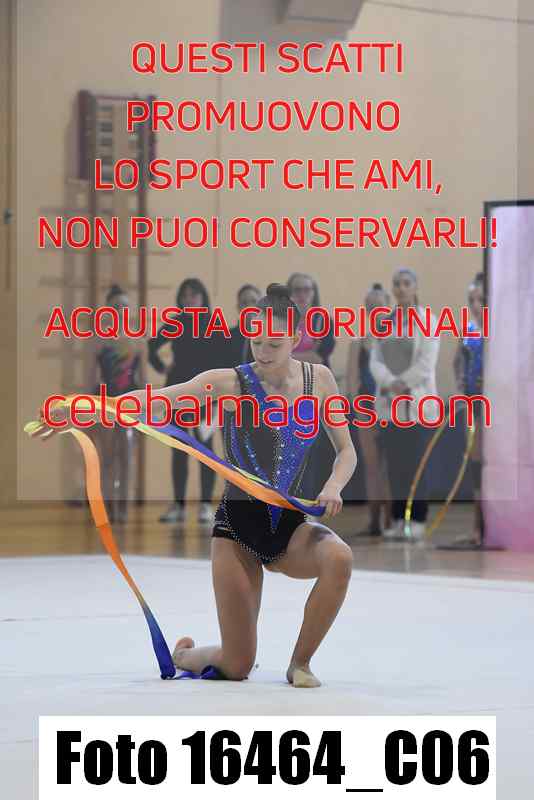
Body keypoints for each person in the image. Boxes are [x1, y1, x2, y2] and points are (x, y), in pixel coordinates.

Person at [47, 284, 356, 687]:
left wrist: (334, 485)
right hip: (238, 531)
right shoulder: (231, 382)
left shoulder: (320, 381)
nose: (263, 352)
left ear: (296, 338)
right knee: (236, 665)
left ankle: (300, 663)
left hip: (290, 528)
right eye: (257, 342)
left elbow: (346, 450)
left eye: (275, 344)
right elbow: (158, 399)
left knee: (339, 558)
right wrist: (83, 407)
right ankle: (184, 655)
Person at [370, 268, 440, 540]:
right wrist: (390, 382)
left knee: (417, 465)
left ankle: (418, 519)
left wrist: (403, 383)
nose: (401, 288)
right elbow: (375, 360)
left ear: (415, 287)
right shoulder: (384, 322)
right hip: (391, 406)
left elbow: (426, 363)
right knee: (396, 465)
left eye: (406, 283)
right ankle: (400, 519)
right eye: (397, 284)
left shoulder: (429, 321)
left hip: (417, 405)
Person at [148, 278, 224, 524]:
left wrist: (218, 395)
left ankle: (205, 505)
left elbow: (223, 359)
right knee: (179, 447)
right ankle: (178, 506)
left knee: (205, 448)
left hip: (205, 394)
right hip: (177, 392)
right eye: (185, 295)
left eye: (194, 295)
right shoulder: (176, 322)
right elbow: (152, 346)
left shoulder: (213, 323)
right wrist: (162, 367)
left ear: (203, 298)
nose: (189, 299)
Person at [345, 283, 392, 535]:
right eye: (370, 307)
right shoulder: (358, 343)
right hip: (366, 410)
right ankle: (375, 520)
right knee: (372, 466)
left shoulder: (396, 341)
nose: (375, 311)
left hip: (392, 410)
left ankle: (391, 519)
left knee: (390, 466)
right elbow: (352, 380)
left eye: (379, 306)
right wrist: (359, 412)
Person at [96, 284, 143, 523]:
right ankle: (106, 507)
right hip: (105, 403)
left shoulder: (137, 341)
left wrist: (147, 409)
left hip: (130, 404)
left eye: (124, 306)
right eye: (115, 307)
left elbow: (141, 379)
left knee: (126, 457)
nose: (120, 311)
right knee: (107, 457)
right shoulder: (98, 342)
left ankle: (122, 508)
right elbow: (93, 378)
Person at [453, 272, 485, 544]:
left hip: (497, 404)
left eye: (481, 300)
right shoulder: (469, 330)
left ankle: (492, 524)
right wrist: (460, 381)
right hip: (473, 401)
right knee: (475, 462)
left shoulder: (501, 330)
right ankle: (478, 525)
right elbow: (457, 361)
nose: (475, 305)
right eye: (471, 300)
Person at [224, 283, 261, 367]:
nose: (250, 307)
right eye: (244, 303)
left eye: (254, 301)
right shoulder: (227, 338)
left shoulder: (269, 338)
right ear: (238, 308)